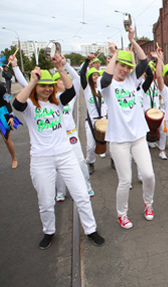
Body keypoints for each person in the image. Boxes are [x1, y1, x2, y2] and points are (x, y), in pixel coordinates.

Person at [12, 59, 104, 250]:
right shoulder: (30, 106)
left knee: (81, 195)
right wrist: (32, 82)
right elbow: (16, 104)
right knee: (45, 201)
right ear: (37, 86)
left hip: (65, 155)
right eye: (43, 86)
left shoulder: (59, 102)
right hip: (41, 159)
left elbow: (71, 90)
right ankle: (49, 231)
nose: (47, 89)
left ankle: (91, 229)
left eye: (50, 86)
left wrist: (61, 69)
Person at [100, 28, 156, 230]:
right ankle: (121, 214)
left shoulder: (133, 79)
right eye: (121, 66)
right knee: (125, 180)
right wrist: (115, 54)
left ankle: (148, 205)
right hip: (119, 140)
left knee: (149, 175)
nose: (124, 70)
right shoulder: (106, 84)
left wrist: (133, 40)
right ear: (115, 65)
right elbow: (106, 79)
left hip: (139, 137)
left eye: (127, 67)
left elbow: (143, 63)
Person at [53, 58, 94, 200]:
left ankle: (87, 186)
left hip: (71, 134)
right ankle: (60, 192)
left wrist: (65, 66)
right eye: (59, 80)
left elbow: (76, 79)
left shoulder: (68, 98)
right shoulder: (50, 99)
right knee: (59, 166)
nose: (62, 82)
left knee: (80, 161)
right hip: (57, 137)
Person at [79, 56, 105, 174]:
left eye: (97, 75)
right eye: (93, 75)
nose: (96, 77)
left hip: (105, 120)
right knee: (90, 146)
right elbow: (82, 73)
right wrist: (86, 62)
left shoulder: (104, 88)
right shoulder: (86, 88)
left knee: (113, 143)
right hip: (91, 120)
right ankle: (90, 162)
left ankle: (113, 160)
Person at [0, 81, 18, 169]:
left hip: (2, 113)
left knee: (6, 139)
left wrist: (11, 116)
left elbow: (7, 101)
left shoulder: (1, 86)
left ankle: (14, 158)